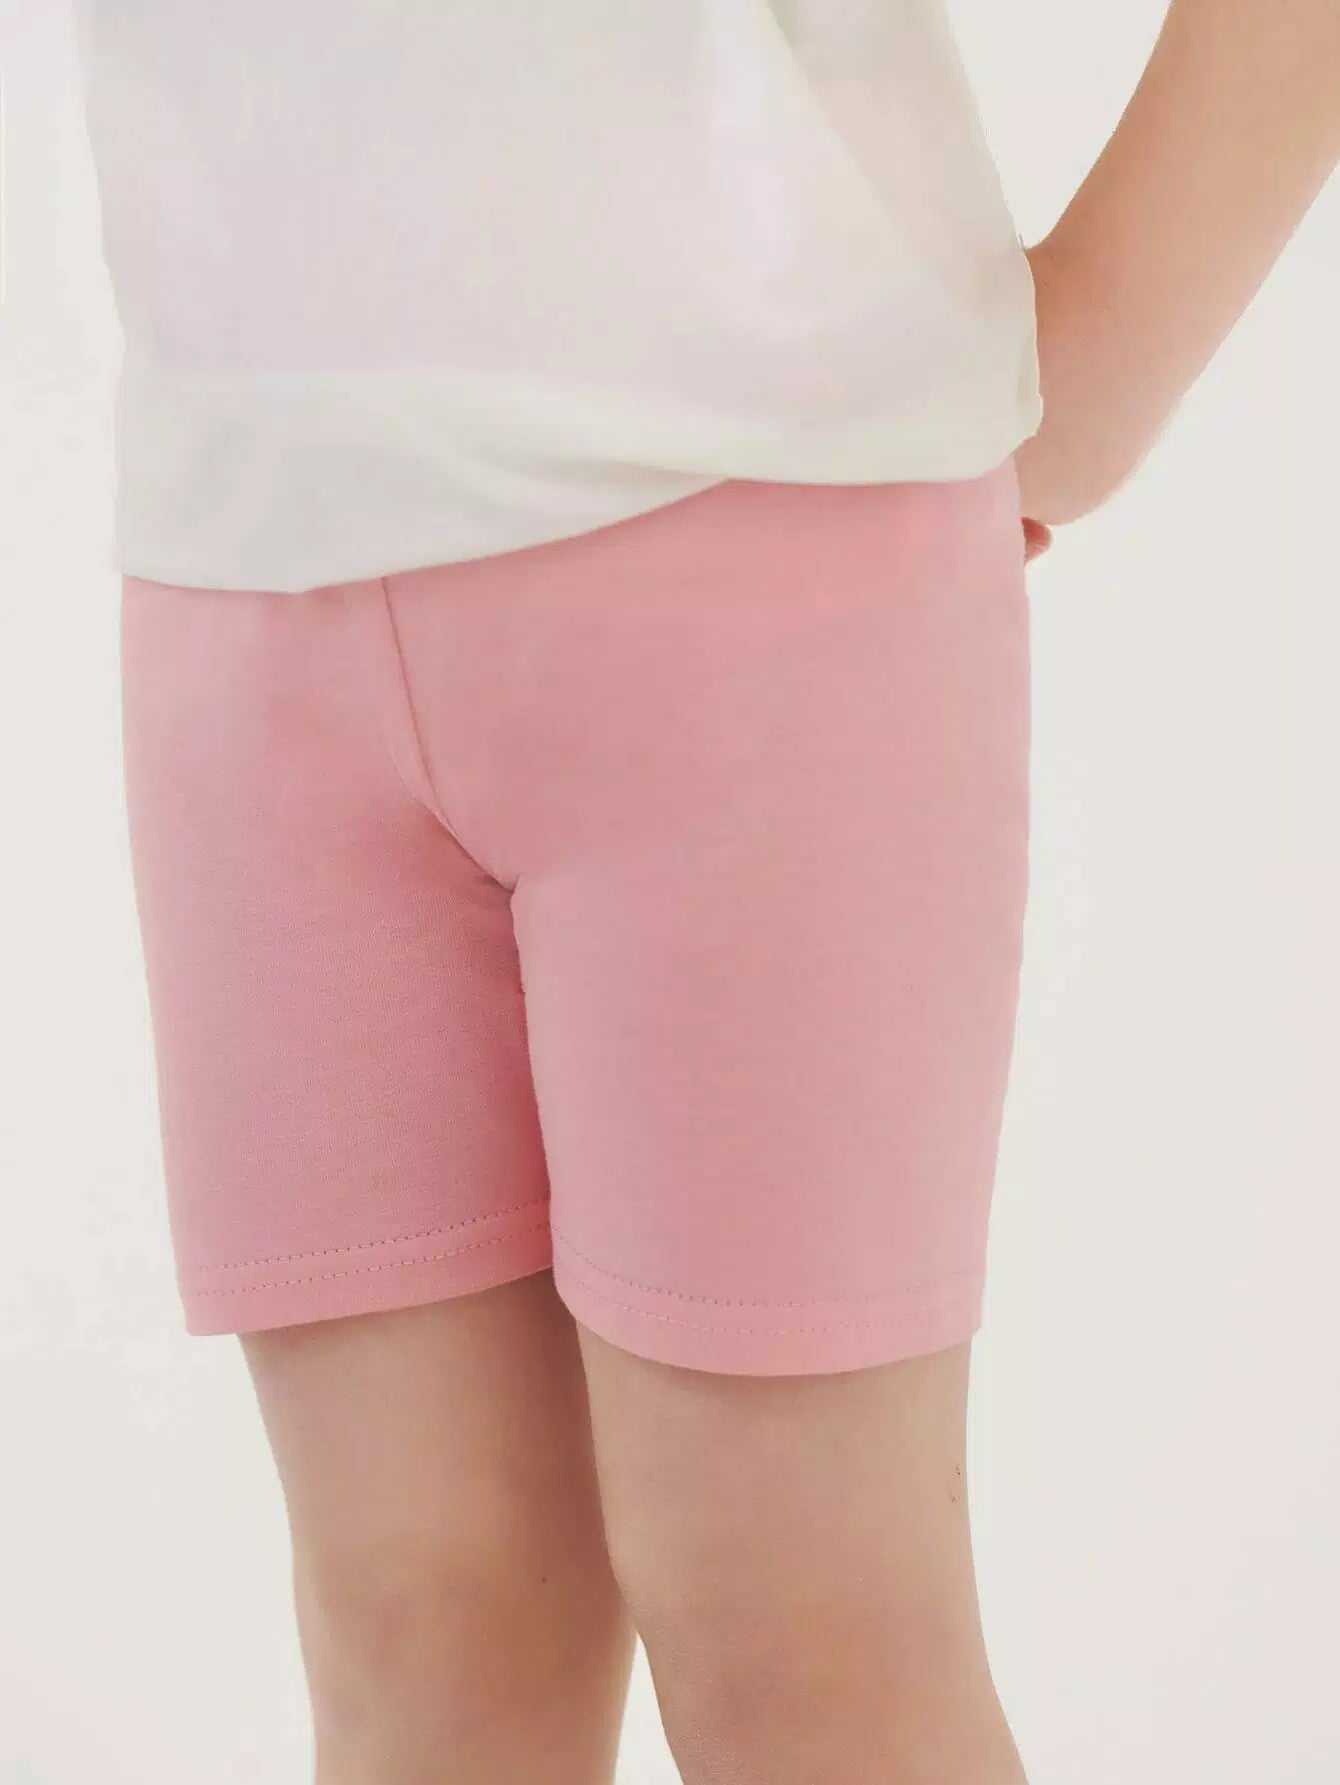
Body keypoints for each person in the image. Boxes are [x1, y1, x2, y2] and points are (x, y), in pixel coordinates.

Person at [73, 3, 1338, 1780]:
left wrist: (1119, 332)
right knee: (420, 1629)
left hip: (760, 502)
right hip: (244, 553)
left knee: (804, 1643)